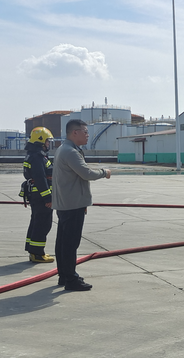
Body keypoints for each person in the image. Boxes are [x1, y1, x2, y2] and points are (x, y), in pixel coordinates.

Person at [52, 119, 111, 291]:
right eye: (85, 132)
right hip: (72, 204)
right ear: (74, 132)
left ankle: (64, 275)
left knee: (63, 242)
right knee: (70, 243)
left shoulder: (64, 149)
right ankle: (70, 279)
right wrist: (104, 172)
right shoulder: (70, 151)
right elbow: (86, 173)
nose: (87, 135)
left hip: (66, 203)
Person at [21, 126, 55, 263]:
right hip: (41, 197)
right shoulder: (38, 156)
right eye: (47, 141)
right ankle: (37, 254)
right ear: (40, 141)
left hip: (36, 196)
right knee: (43, 224)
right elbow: (41, 179)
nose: (48, 144)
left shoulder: (34, 154)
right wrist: (47, 197)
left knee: (36, 222)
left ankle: (33, 250)